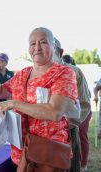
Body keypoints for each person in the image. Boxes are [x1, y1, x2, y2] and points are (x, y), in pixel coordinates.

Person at [0, 27, 78, 171]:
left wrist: (13, 103)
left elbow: (54, 112)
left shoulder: (64, 73)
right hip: (21, 152)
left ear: (53, 46)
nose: (37, 48)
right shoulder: (23, 73)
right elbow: (0, 91)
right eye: (32, 44)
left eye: (43, 42)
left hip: (48, 154)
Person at [54, 38, 91, 172]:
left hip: (69, 131)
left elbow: (85, 103)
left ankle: (84, 163)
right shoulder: (36, 73)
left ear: (59, 52)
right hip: (43, 140)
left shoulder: (74, 72)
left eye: (47, 44)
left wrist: (71, 124)